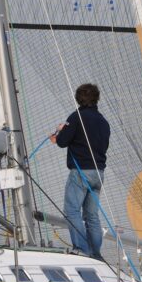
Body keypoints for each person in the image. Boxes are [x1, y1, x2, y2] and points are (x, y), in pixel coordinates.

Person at [51, 83, 111, 259]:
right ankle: (95, 253)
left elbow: (62, 142)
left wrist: (59, 134)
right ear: (96, 98)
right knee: (92, 215)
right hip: (99, 173)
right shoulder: (103, 122)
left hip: (81, 172)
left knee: (72, 211)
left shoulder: (76, 117)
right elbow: (103, 145)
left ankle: (82, 249)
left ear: (78, 98)